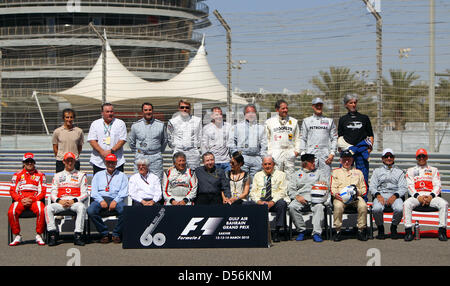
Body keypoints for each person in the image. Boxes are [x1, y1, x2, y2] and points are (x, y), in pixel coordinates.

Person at [403, 148, 448, 241]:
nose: (421, 158)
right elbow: (409, 186)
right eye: (419, 156)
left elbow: (438, 185)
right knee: (406, 204)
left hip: (431, 197)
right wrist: (418, 197)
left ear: (427, 157)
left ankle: (442, 231)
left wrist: (431, 196)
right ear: (416, 158)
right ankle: (408, 231)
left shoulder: (434, 170)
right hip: (417, 196)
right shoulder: (410, 170)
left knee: (444, 204)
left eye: (423, 156)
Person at [45, 152, 89, 246]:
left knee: (81, 208)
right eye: (67, 161)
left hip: (74, 202)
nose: (70, 163)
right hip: (61, 202)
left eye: (71, 161)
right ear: (64, 162)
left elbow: (85, 194)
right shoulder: (57, 175)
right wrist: (59, 201)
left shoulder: (81, 175)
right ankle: (52, 234)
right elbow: (52, 193)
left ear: (74, 162)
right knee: (48, 208)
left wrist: (74, 200)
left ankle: (78, 235)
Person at [337, 94, 374, 200]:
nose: (353, 104)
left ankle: (363, 198)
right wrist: (341, 148)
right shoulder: (343, 119)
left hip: (361, 152)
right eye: (350, 103)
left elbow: (370, 135)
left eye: (354, 102)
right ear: (346, 105)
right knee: (344, 174)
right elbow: (340, 136)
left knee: (363, 175)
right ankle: (344, 197)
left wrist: (369, 148)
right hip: (348, 152)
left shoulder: (364, 118)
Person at [87, 153, 128, 243]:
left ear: (116, 163)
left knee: (125, 211)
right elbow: (94, 192)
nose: (110, 164)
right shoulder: (98, 175)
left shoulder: (122, 176)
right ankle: (104, 233)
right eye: (108, 162)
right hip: (100, 198)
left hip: (116, 198)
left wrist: (115, 201)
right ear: (105, 163)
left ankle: (116, 234)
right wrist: (101, 200)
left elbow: (123, 192)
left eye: (112, 163)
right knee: (91, 211)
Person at [288, 153, 329, 243]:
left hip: (315, 198)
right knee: (292, 207)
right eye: (312, 162)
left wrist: (323, 185)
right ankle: (301, 230)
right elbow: (291, 189)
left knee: (319, 207)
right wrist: (296, 196)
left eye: (314, 161)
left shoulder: (319, 173)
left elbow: (326, 185)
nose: (314, 163)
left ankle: (316, 233)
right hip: (301, 197)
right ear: (305, 163)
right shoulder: (296, 174)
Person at [8, 152, 47, 246]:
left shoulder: (41, 175)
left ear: (34, 162)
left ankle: (39, 234)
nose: (29, 163)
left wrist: (33, 199)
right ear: (23, 163)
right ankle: (17, 235)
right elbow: (12, 191)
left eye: (31, 161)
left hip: (35, 200)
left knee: (42, 210)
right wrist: (21, 199)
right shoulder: (16, 175)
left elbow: (43, 191)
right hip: (21, 200)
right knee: (11, 212)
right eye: (27, 161)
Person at [369, 148, 407, 240]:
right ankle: (380, 228)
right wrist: (378, 195)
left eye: (391, 156)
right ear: (382, 158)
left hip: (395, 195)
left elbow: (403, 187)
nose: (389, 158)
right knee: (376, 209)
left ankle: (393, 227)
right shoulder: (376, 171)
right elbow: (372, 187)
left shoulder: (400, 172)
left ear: (394, 158)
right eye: (386, 156)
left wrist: (395, 196)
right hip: (381, 194)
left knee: (399, 208)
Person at [330, 150, 368, 242]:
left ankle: (360, 230)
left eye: (349, 159)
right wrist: (336, 194)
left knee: (363, 206)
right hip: (341, 198)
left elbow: (364, 188)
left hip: (355, 197)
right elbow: (332, 187)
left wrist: (357, 192)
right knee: (338, 207)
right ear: (340, 161)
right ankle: (338, 230)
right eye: (344, 160)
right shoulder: (335, 172)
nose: (346, 162)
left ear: (352, 160)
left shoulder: (358, 172)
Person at [249, 156, 289, 242]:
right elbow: (252, 192)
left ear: (274, 164)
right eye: (265, 164)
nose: (267, 166)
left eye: (269, 164)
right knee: (246, 205)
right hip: (261, 201)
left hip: (275, 201)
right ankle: (251, 232)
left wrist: (272, 202)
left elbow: (283, 191)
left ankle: (277, 232)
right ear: (262, 165)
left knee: (282, 204)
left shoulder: (281, 175)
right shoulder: (257, 175)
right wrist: (258, 201)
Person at [300, 97, 337, 180]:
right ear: (313, 106)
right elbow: (302, 138)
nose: (319, 107)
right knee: (309, 177)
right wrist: (303, 154)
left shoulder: (329, 121)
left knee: (326, 177)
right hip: (310, 153)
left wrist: (332, 153)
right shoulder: (307, 121)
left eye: (320, 105)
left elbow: (334, 138)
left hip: (325, 154)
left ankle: (326, 193)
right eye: (317, 105)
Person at [128, 102, 167, 181]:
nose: (148, 112)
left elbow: (164, 140)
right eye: (146, 110)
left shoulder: (160, 125)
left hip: (155, 157)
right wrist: (139, 151)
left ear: (153, 111)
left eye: (150, 110)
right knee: (138, 180)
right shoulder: (135, 126)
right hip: (141, 156)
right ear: (142, 112)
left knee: (157, 180)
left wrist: (156, 151)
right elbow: (131, 142)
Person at [229, 104, 267, 179]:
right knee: (242, 180)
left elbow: (264, 144)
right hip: (242, 158)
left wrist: (262, 159)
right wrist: (236, 156)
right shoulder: (237, 127)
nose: (251, 114)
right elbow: (231, 142)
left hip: (256, 158)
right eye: (248, 112)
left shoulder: (261, 128)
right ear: (244, 114)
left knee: (255, 183)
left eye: (253, 112)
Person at [87, 103, 127, 175]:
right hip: (99, 161)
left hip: (116, 161)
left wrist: (111, 151)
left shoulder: (120, 123)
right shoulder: (95, 123)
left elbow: (122, 140)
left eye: (111, 111)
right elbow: (92, 140)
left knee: (117, 184)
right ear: (102, 113)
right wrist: (102, 152)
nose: (110, 114)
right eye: (107, 112)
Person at [265, 99, 301, 175]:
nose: (285, 110)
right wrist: (270, 152)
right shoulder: (269, 122)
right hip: (276, 152)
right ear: (277, 109)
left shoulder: (294, 121)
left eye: (286, 108)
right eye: (283, 108)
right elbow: (266, 138)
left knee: (290, 176)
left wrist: (296, 151)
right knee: (276, 175)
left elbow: (297, 138)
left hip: (290, 151)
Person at [167, 100, 202, 170]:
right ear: (179, 108)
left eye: (187, 107)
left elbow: (200, 136)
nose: (184, 109)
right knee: (178, 174)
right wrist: (176, 147)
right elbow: (169, 138)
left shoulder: (197, 120)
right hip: (179, 151)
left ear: (190, 108)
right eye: (182, 107)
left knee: (194, 174)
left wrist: (195, 147)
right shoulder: (173, 121)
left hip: (193, 152)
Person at [52, 108, 84, 173]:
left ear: (73, 118)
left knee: (75, 182)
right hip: (61, 161)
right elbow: (55, 147)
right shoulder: (57, 131)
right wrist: (61, 157)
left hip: (74, 161)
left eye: (71, 117)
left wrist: (74, 156)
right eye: (67, 117)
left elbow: (79, 147)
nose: (69, 119)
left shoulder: (79, 131)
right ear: (63, 118)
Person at [201, 106, 232, 172]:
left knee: (227, 181)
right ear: (212, 116)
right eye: (216, 115)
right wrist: (207, 161)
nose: (219, 116)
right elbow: (204, 146)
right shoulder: (207, 128)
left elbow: (232, 143)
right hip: (213, 162)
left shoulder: (228, 126)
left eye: (220, 114)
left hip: (226, 161)